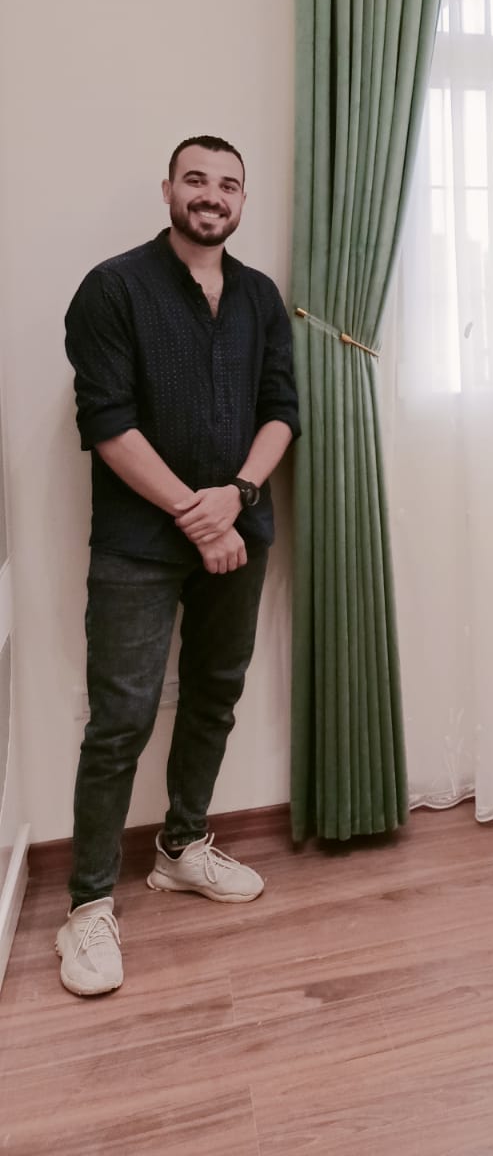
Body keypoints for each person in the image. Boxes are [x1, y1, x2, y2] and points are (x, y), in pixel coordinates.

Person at [57, 135, 300, 997]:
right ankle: (87, 905)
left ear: (242, 202)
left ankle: (181, 847)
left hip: (240, 529)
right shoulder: (112, 288)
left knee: (214, 694)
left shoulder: (261, 297)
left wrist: (237, 494)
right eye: (196, 179)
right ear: (168, 189)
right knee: (120, 718)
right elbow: (107, 423)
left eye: (228, 184)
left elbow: (281, 411)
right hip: (139, 546)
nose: (212, 195)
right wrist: (198, 517)